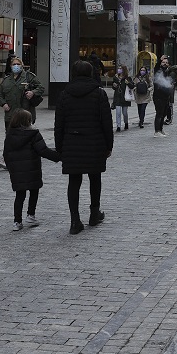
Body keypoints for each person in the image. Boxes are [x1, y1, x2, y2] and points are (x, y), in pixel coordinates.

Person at [54, 60, 114, 234]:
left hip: (72, 144)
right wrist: (108, 145)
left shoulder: (65, 94)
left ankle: (75, 220)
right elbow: (106, 123)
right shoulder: (99, 93)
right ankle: (94, 214)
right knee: (95, 178)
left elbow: (59, 124)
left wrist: (60, 147)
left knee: (74, 181)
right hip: (94, 143)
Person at [4, 109, 61, 231]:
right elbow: (43, 151)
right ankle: (31, 215)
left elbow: (6, 154)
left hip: (17, 172)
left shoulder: (10, 135)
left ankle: (17, 221)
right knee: (34, 192)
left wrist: (11, 168)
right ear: (27, 121)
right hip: (32, 169)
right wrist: (59, 157)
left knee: (20, 195)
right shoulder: (33, 134)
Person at [152, 56, 177, 136]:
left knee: (164, 113)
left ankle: (161, 129)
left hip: (165, 96)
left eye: (166, 63)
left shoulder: (166, 72)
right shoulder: (158, 71)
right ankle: (157, 131)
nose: (165, 64)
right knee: (159, 113)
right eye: (163, 62)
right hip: (158, 96)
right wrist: (160, 60)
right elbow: (156, 67)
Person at [111, 64, 133, 132]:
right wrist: (114, 86)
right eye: (118, 68)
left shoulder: (127, 78)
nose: (119, 70)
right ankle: (118, 126)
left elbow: (132, 86)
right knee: (118, 113)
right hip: (117, 96)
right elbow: (114, 87)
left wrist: (128, 83)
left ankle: (126, 123)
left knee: (124, 112)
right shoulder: (115, 77)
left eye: (121, 69)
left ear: (124, 70)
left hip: (125, 97)